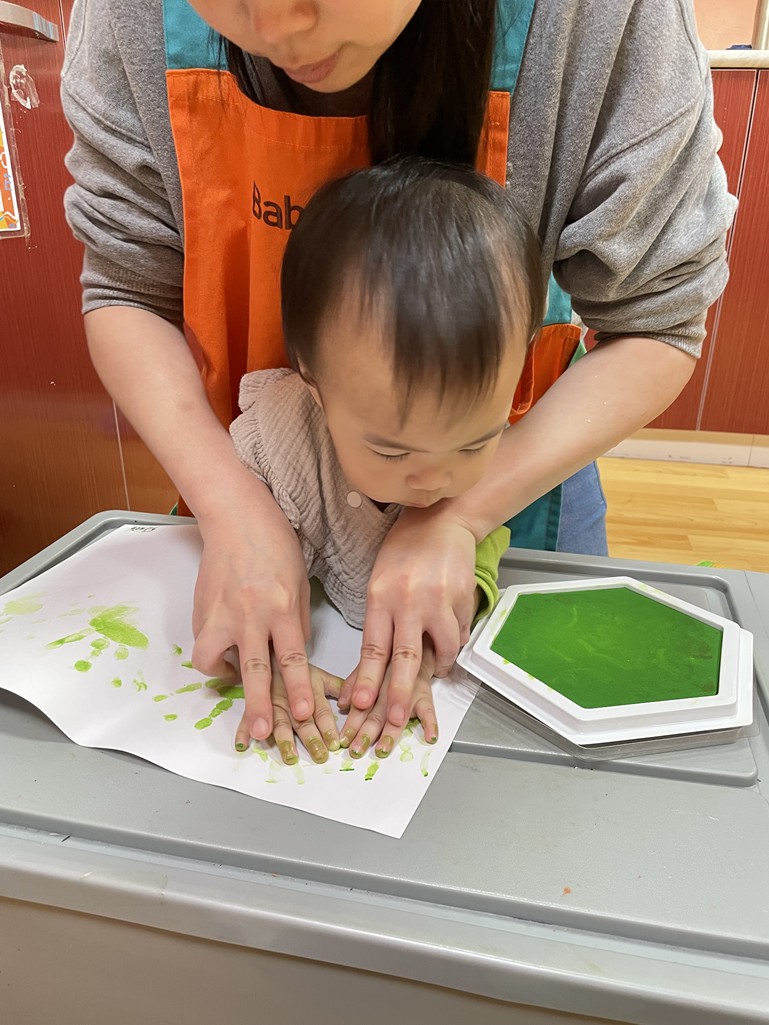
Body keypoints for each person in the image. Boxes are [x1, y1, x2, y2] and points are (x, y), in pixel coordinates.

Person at [61, 0, 736, 747]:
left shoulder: (602, 19)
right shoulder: (273, 448)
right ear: (310, 380)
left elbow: (657, 321)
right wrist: (230, 508)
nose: (277, 31)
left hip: (526, 475)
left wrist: (467, 513)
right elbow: (125, 287)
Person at [229, 156, 542, 763]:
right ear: (314, 381)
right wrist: (264, 660)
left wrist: (421, 655)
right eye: (391, 450)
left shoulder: (477, 478)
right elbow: (234, 571)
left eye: (475, 443)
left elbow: (474, 569)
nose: (436, 479)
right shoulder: (274, 441)